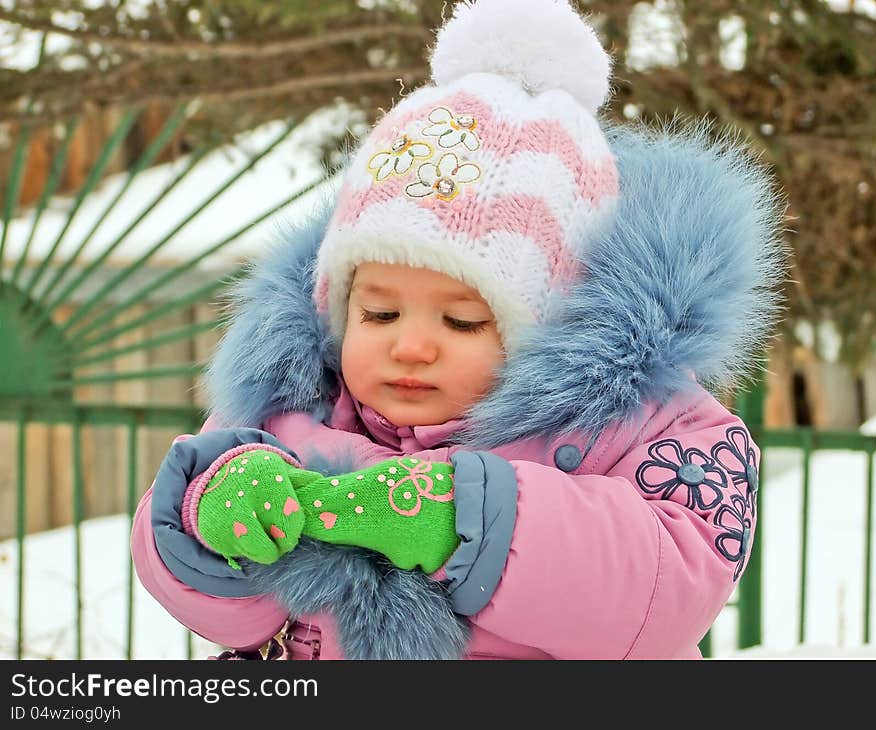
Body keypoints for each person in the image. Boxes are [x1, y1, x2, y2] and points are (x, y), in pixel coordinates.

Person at [130, 0, 785, 660]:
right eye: (379, 314)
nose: (410, 345)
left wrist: (465, 517)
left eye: (463, 320)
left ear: (555, 327)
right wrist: (208, 517)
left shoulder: (655, 431)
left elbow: (667, 590)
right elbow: (222, 613)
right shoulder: (287, 417)